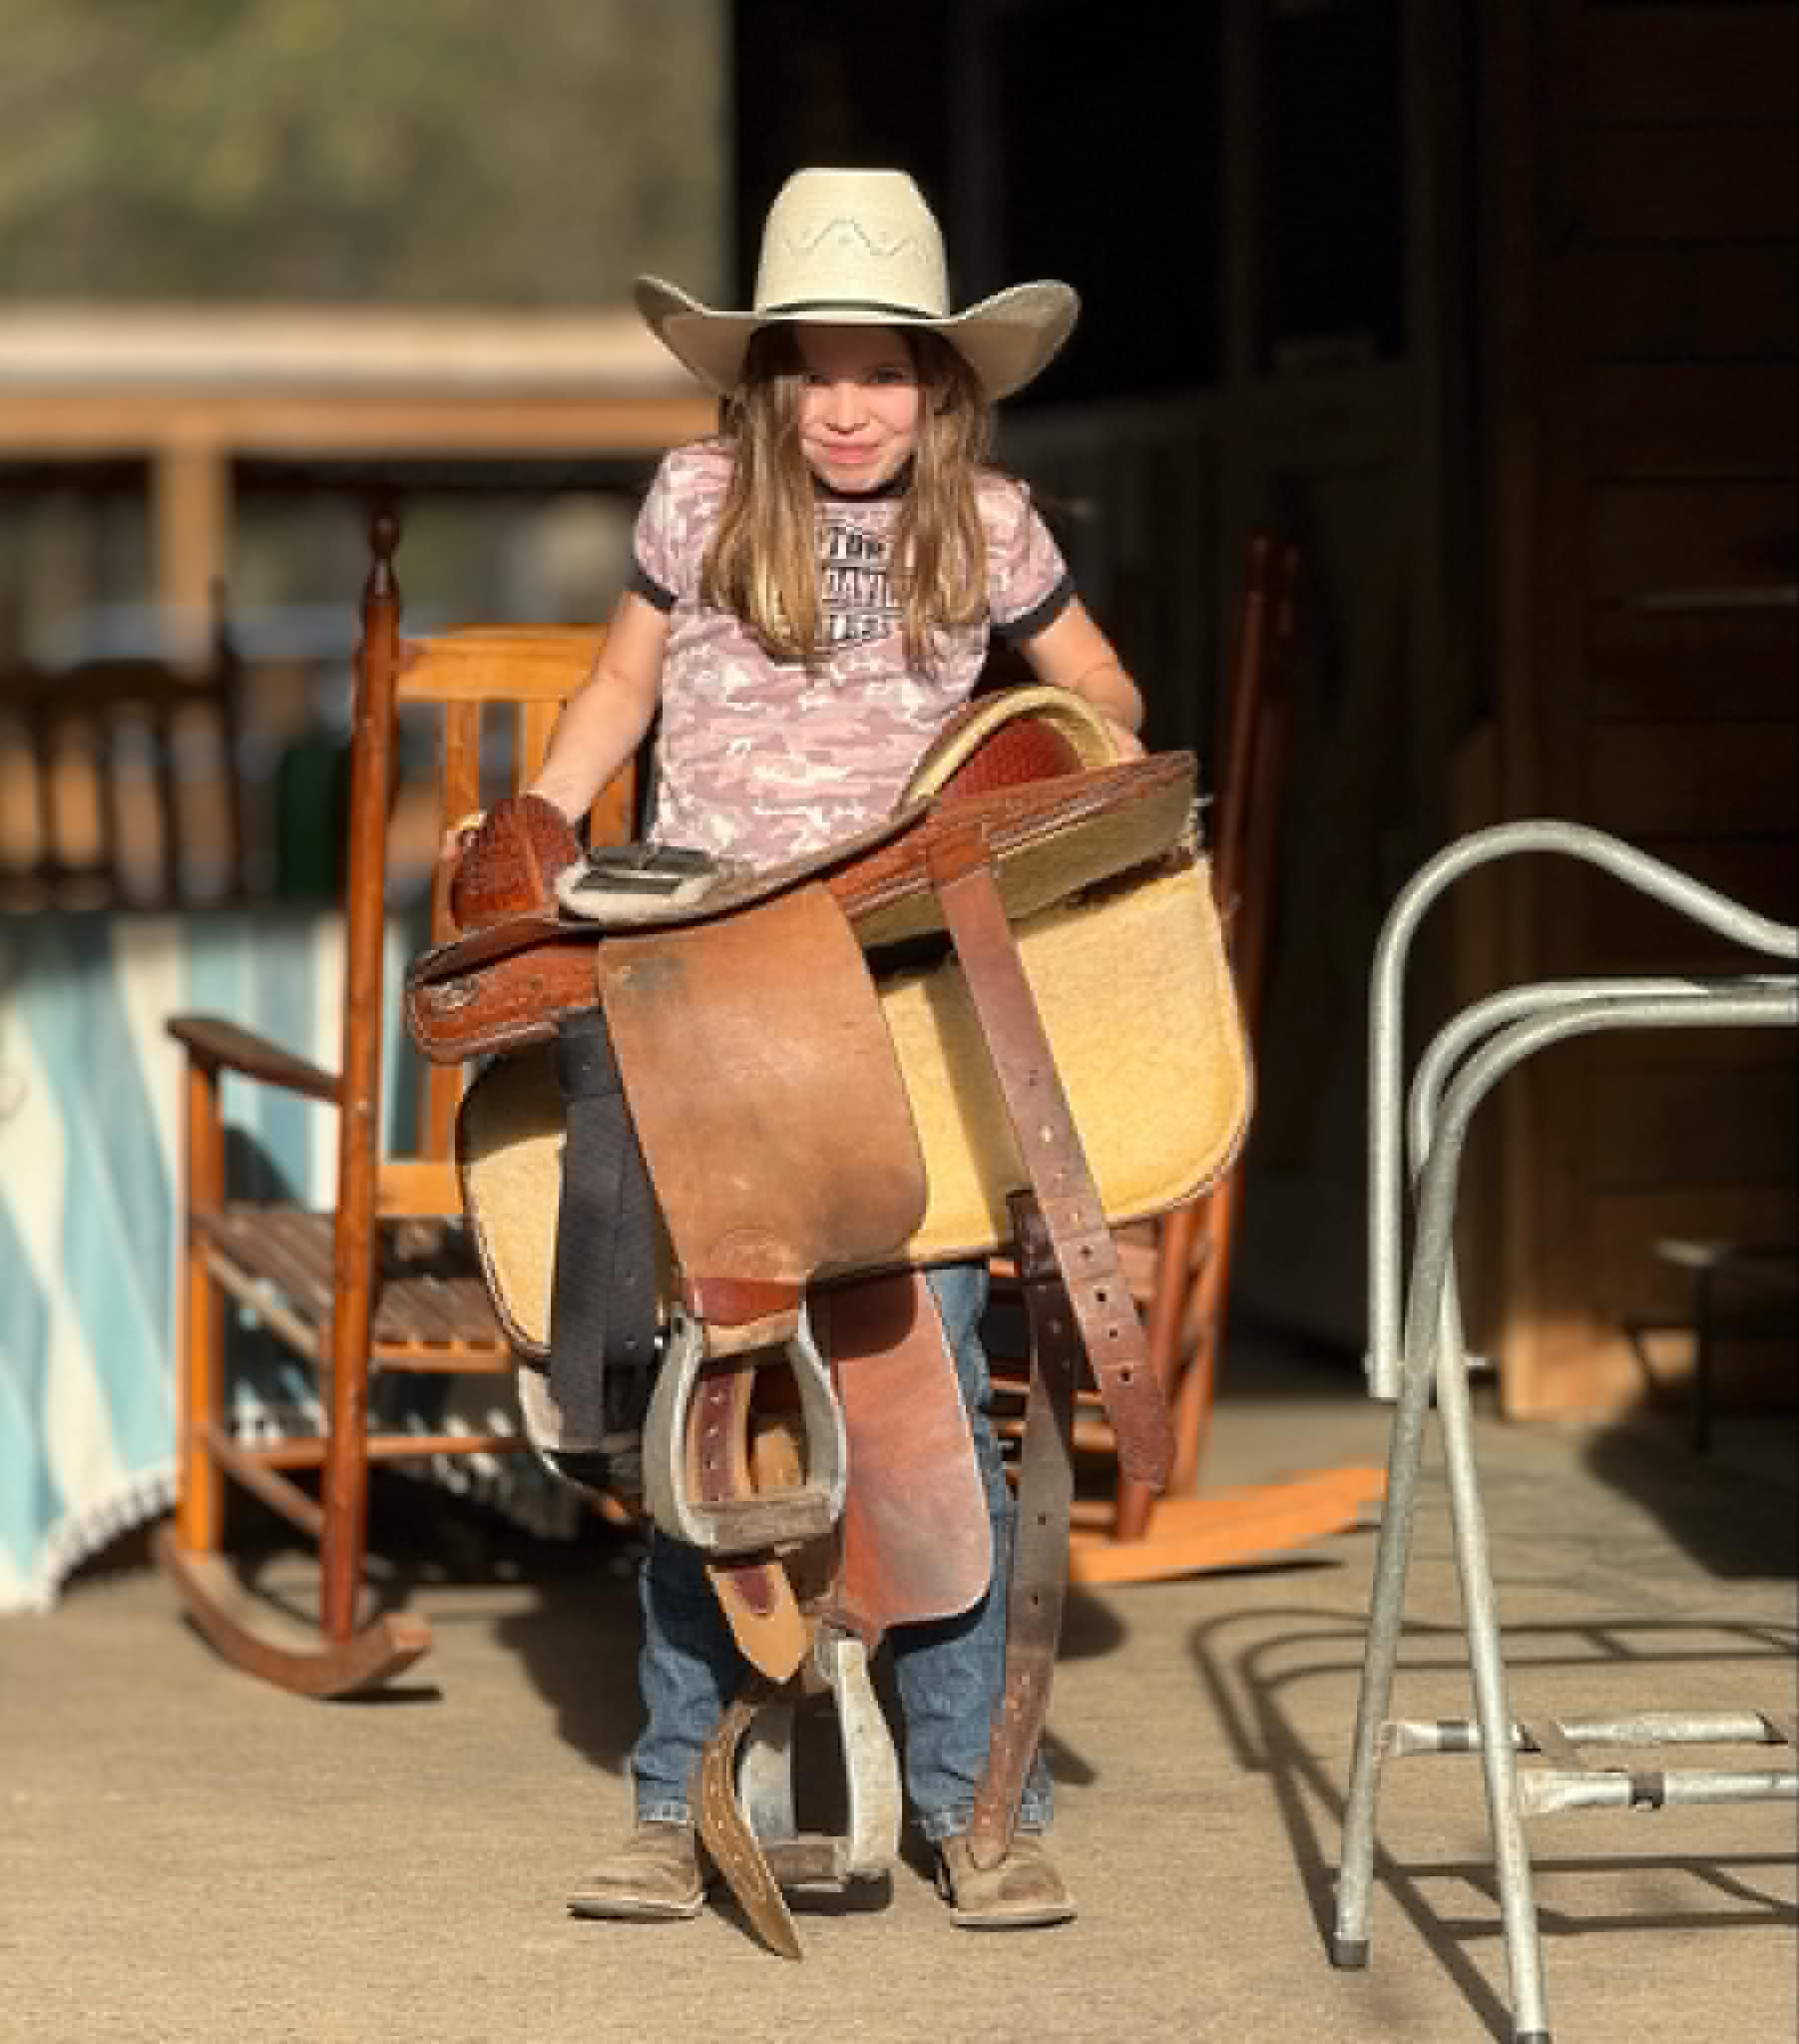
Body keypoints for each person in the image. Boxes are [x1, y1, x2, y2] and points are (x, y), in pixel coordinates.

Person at [526, 167, 1142, 1932]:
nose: (852, 405)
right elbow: (623, 686)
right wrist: (540, 822)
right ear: (767, 382)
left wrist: (1036, 767)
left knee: (923, 1375)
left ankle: (970, 1801)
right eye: (818, 370)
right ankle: (676, 1795)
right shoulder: (700, 497)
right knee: (715, 1382)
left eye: (888, 371)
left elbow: (1102, 693)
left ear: (942, 387)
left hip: (895, 962)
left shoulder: (993, 527)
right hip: (708, 949)